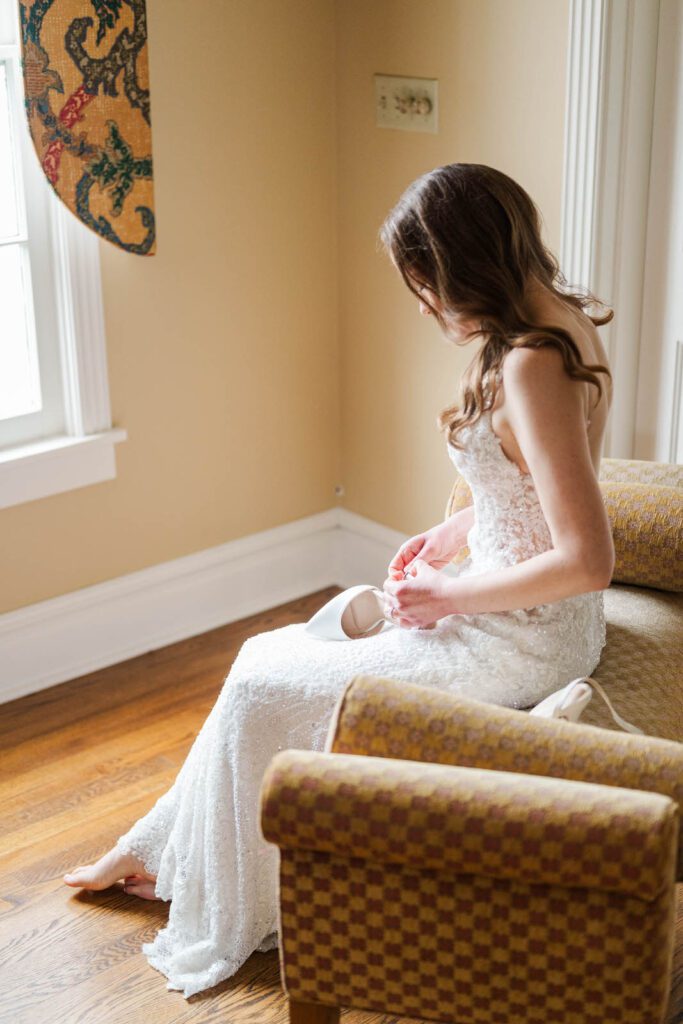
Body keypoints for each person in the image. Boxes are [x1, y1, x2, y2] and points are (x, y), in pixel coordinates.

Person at [62, 163, 615, 998]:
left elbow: (587, 558)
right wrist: (456, 530)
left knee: (258, 684)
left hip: (523, 637)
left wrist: (446, 596)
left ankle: (219, 886)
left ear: (460, 265)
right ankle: (163, 847)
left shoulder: (532, 363)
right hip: (508, 601)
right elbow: (536, 482)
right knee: (265, 652)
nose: (425, 306)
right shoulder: (557, 319)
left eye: (424, 285)